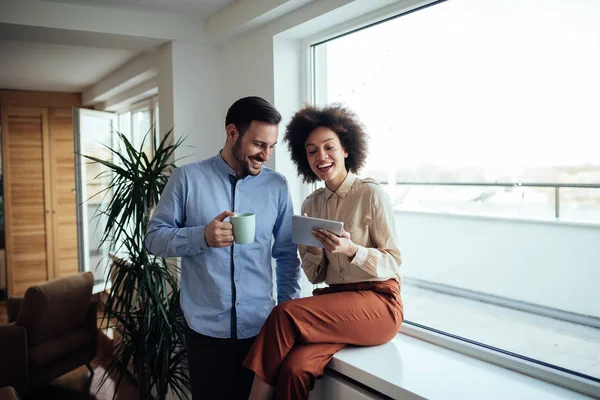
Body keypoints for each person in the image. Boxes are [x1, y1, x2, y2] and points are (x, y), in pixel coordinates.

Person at [144, 96, 302, 399]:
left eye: (271, 146)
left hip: (261, 330)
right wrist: (201, 236)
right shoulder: (187, 179)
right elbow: (154, 239)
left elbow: (285, 255)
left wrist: (286, 316)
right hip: (205, 333)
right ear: (232, 132)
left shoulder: (278, 187)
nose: (266, 155)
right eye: (258, 144)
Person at [242, 104, 404, 400]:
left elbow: (393, 261)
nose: (321, 157)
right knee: (294, 369)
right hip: (339, 305)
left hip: (379, 303)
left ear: (345, 150)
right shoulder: (311, 205)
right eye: (312, 150)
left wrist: (352, 250)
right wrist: (314, 251)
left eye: (329, 147)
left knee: (284, 314)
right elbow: (315, 276)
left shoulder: (371, 195)